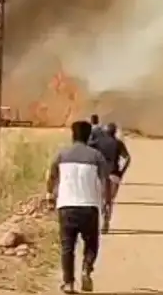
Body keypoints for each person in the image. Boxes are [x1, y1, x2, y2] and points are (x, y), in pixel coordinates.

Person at [46, 120, 111, 294]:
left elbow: (51, 177)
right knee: (91, 244)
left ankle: (68, 283)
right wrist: (106, 203)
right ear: (89, 136)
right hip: (89, 206)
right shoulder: (97, 156)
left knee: (67, 246)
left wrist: (50, 195)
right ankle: (86, 269)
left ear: (73, 135)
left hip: (66, 206)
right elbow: (105, 181)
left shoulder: (61, 155)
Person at [89, 122, 132, 234]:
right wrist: (121, 172)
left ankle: (102, 217)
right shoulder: (118, 143)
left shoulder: (98, 142)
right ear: (115, 132)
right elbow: (127, 158)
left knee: (102, 198)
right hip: (114, 174)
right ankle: (106, 219)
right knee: (110, 200)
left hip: (101, 173)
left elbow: (88, 148)